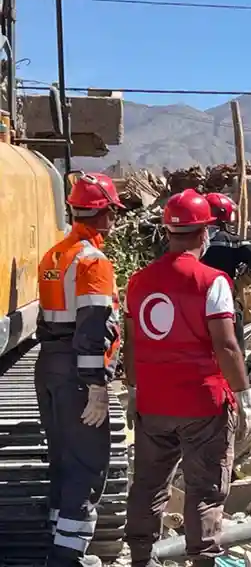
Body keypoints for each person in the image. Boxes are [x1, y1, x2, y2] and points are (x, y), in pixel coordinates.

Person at [123, 189, 251, 567]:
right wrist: (245, 397)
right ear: (204, 233)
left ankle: (140, 558)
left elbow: (131, 344)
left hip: (154, 402)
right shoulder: (212, 281)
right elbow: (226, 346)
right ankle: (203, 560)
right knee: (205, 490)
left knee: (149, 485)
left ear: (168, 232)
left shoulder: (138, 281)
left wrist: (133, 390)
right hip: (203, 404)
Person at [35, 172, 124, 567]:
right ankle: (67, 557)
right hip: (76, 371)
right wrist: (97, 386)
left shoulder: (54, 255)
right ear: (103, 214)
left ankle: (58, 545)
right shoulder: (93, 261)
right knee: (87, 465)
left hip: (49, 365)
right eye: (113, 212)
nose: (115, 220)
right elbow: (92, 326)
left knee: (63, 460)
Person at [201, 192, 251, 353]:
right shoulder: (232, 241)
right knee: (234, 343)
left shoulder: (191, 240)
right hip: (223, 300)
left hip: (193, 302)